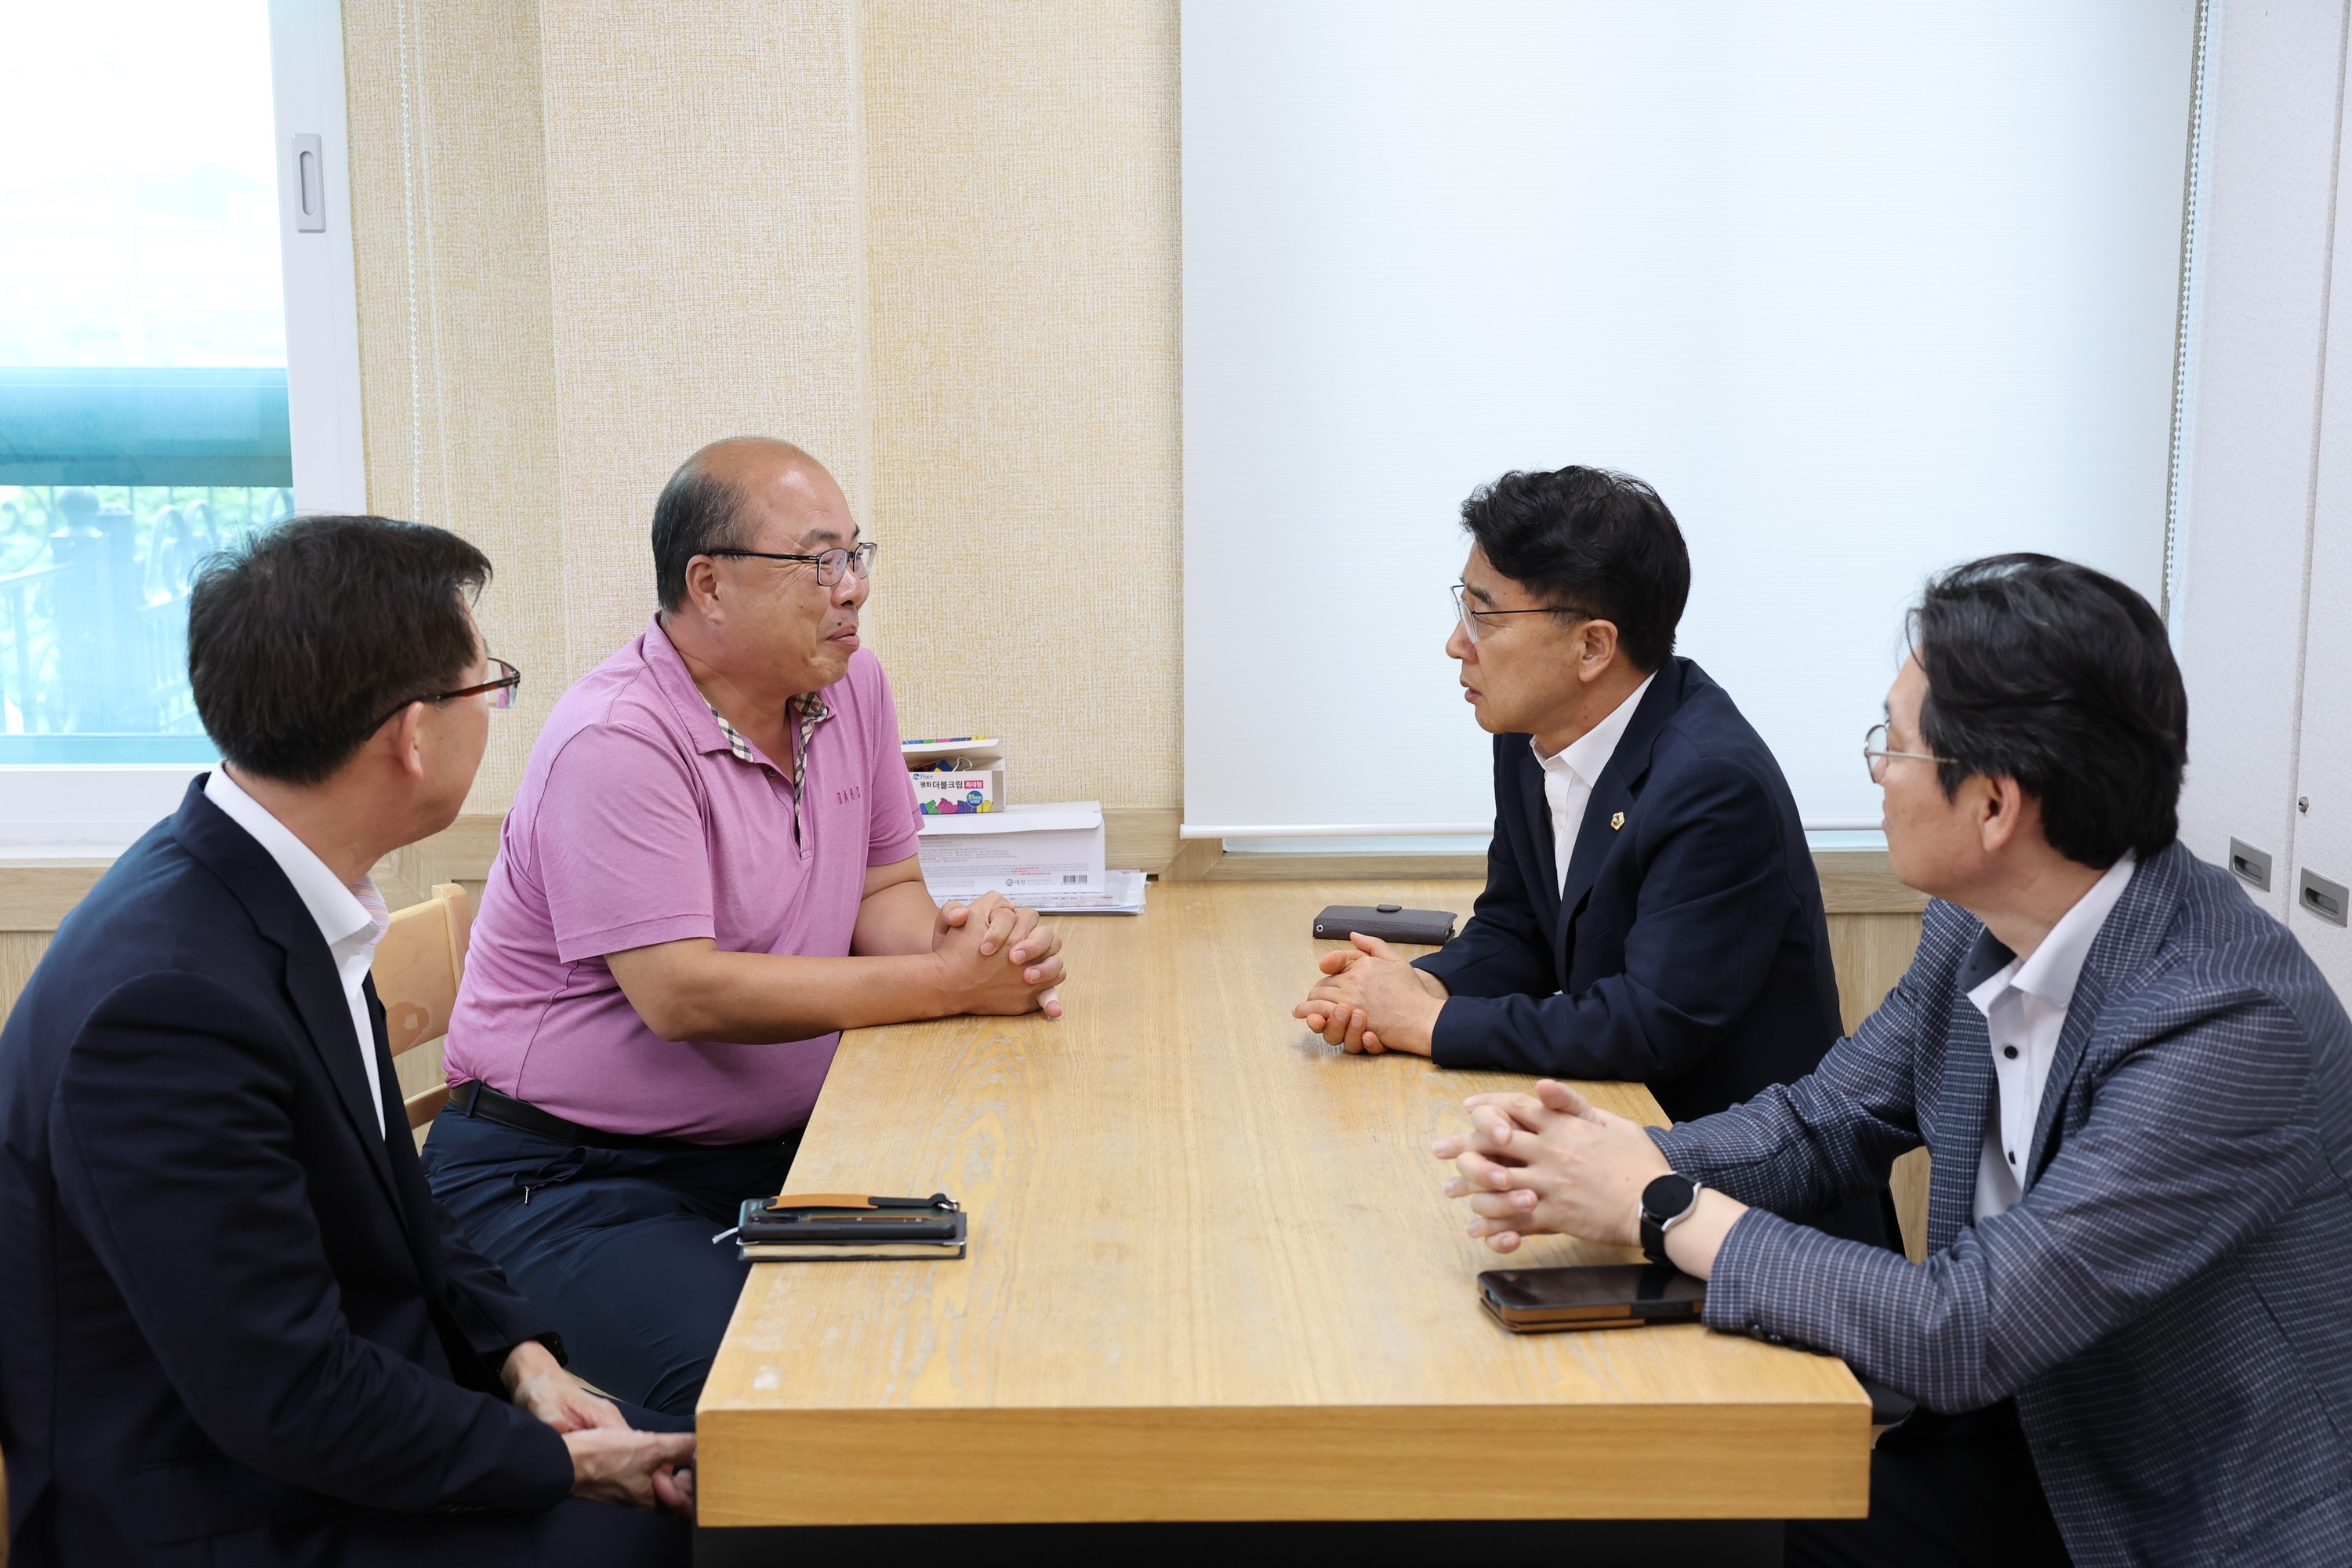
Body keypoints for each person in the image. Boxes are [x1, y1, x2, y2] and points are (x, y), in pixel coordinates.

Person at [1434, 554, 2352, 1566]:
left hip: (2187, 1511)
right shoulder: (1978, 926)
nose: (1874, 770)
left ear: (1994, 805)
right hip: (2024, 1437)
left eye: (1895, 745)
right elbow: (1824, 1123)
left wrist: (1661, 1204)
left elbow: (1970, 1325)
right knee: (1694, 1512)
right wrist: (1594, 1158)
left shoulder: (2228, 1024)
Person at [0, 517, 694, 1567]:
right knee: (688, 1523)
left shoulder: (274, 889)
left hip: (341, 1428)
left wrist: (522, 1358)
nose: (497, 714)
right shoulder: (163, 1010)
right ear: (412, 735)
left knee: (744, 1461)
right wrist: (561, 1467)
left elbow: (392, 1203)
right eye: (488, 688)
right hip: (225, 1510)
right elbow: (281, 1395)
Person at [425, 437, 1065, 1416]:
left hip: (770, 1146)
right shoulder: (619, 738)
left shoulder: (851, 689)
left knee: (1008, 1282)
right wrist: (946, 987)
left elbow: (881, 886)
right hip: (561, 1175)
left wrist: (967, 947)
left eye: (857, 555)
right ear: (709, 583)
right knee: (782, 1390)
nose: (851, 589)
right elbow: (684, 993)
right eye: (820, 561)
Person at [1298, 466, 1889, 1245]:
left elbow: (1648, 1024)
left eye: (1484, 616)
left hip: (1753, 1217)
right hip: (1613, 1174)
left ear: (1592, 646)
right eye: (1461, 605)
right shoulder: (1531, 731)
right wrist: (1410, 986)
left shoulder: (1711, 781)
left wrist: (1431, 1024)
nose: (1455, 644)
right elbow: (1517, 927)